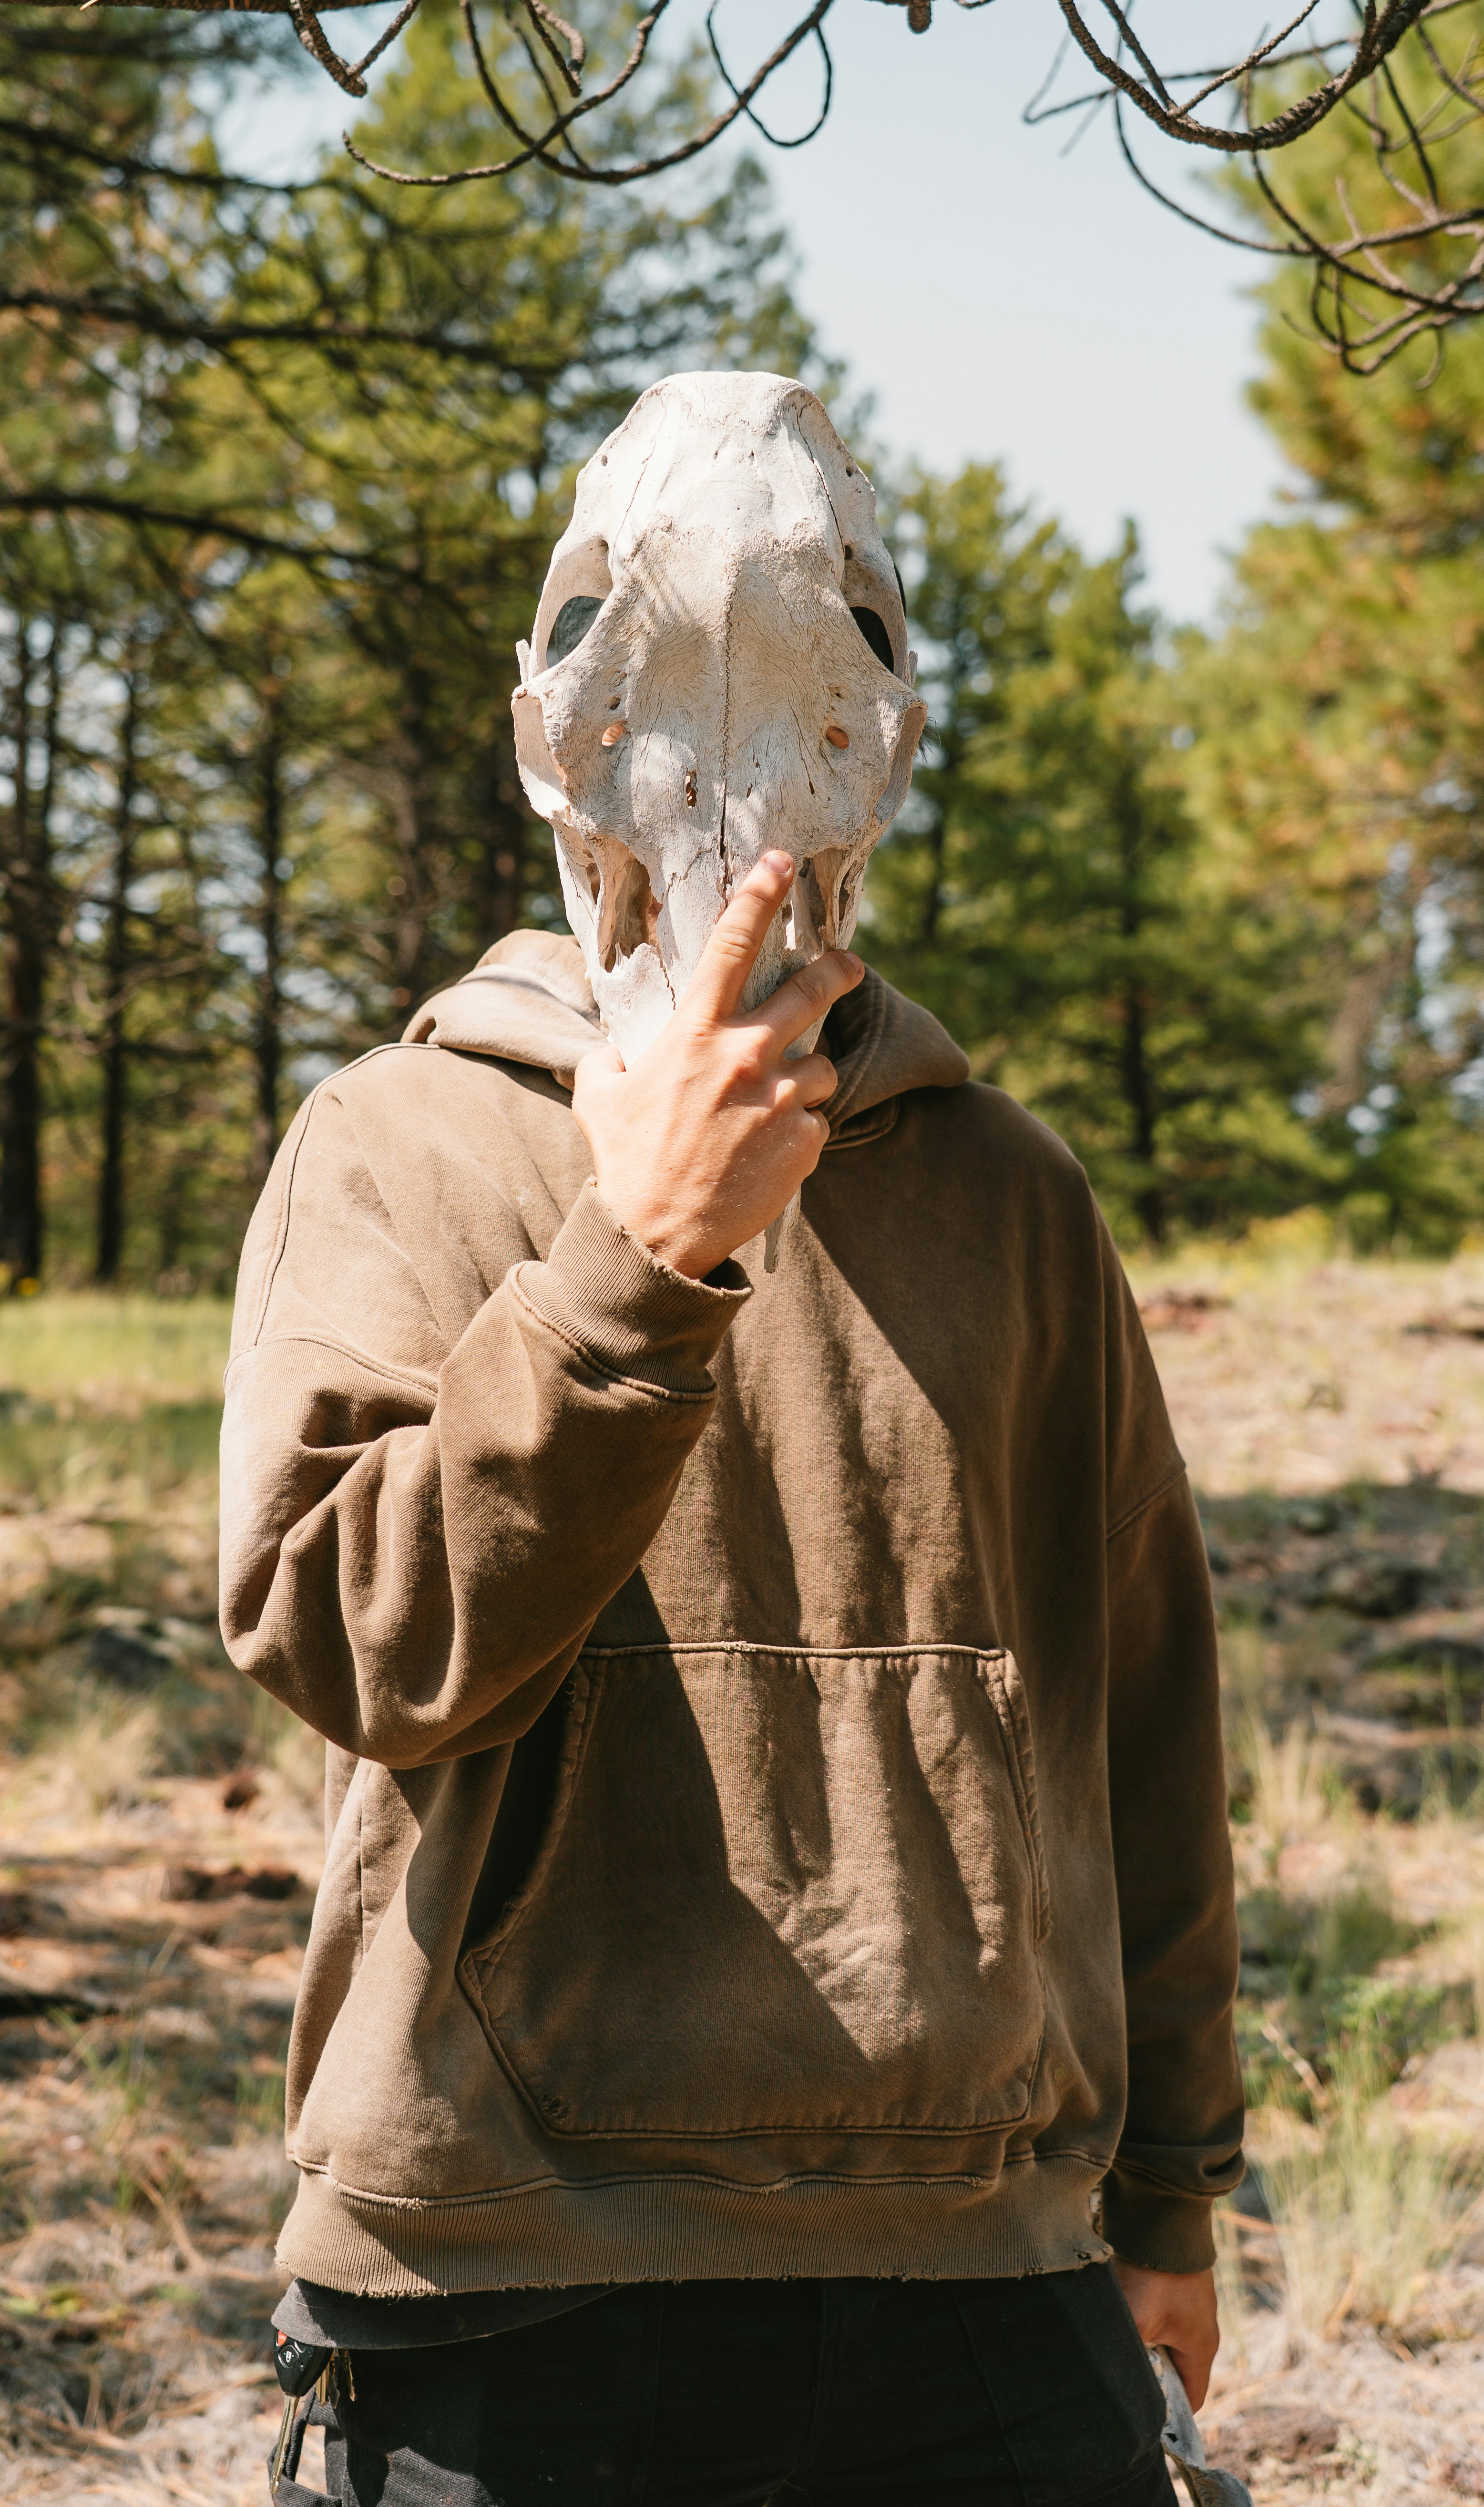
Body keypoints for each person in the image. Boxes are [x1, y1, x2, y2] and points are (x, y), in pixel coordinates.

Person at [220, 375, 1243, 2507]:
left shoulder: (1014, 1194)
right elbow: (350, 1641)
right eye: (647, 674)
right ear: (550, 732)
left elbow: (1141, 1716)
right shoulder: (401, 1145)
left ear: (891, 740)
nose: (728, 771)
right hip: (508, 2289)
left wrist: (1168, 2200)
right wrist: (641, 1263)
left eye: (819, 670)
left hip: (982, 2292)